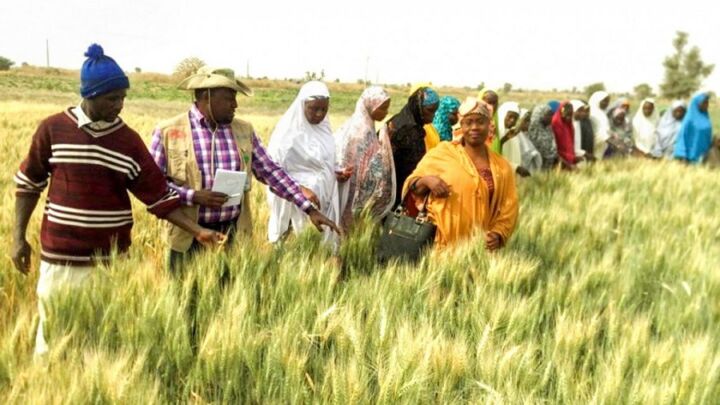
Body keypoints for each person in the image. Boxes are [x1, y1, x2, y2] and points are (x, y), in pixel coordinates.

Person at [12, 44, 224, 357]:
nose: (120, 105)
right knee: (54, 343)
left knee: (103, 346)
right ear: (89, 95)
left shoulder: (128, 142)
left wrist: (197, 230)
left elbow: (158, 196)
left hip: (110, 263)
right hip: (61, 261)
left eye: (123, 97)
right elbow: (28, 184)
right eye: (112, 98)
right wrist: (18, 238)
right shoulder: (53, 129)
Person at [150, 69, 339, 271]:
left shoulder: (244, 131)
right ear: (207, 96)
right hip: (187, 234)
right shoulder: (168, 132)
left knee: (231, 297)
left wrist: (308, 209)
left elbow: (271, 172)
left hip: (233, 234)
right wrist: (193, 196)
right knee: (187, 298)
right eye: (229, 98)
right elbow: (153, 188)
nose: (235, 105)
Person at [403, 97, 518, 249]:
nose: (474, 127)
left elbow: (509, 206)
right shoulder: (443, 153)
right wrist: (427, 181)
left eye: (480, 122)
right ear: (461, 125)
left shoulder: (501, 167)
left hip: (480, 252)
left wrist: (498, 233)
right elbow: (412, 184)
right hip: (441, 249)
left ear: (489, 124)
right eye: (468, 122)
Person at [265, 81, 341, 246]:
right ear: (302, 105)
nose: (319, 114)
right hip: (294, 208)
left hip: (323, 205)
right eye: (314, 108)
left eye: (324, 109)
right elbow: (272, 173)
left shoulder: (325, 131)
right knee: (293, 253)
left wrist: (336, 171)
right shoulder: (286, 134)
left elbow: (325, 162)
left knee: (319, 255)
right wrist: (299, 189)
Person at [335, 86, 394, 232]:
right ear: (370, 105)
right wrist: (384, 142)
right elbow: (368, 163)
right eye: (382, 108)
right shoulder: (361, 131)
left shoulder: (362, 125)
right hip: (351, 189)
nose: (386, 113)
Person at [389, 87, 439, 207]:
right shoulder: (411, 130)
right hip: (400, 189)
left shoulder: (398, 119)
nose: (433, 116)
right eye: (430, 110)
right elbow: (414, 168)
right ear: (418, 108)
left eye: (435, 111)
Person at [674, 92, 713, 163]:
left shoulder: (706, 117)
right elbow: (683, 137)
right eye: (704, 103)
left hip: (705, 155)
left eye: (707, 103)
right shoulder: (689, 119)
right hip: (690, 158)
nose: (707, 105)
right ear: (697, 103)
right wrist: (682, 155)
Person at [498, 101, 531, 177]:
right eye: (510, 116)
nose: (512, 120)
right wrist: (515, 168)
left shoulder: (512, 133)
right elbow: (496, 156)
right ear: (502, 115)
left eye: (515, 118)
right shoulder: (497, 133)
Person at [527, 104, 558, 169]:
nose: (552, 117)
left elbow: (553, 144)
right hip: (536, 166)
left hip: (549, 165)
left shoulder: (548, 128)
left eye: (552, 114)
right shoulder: (532, 130)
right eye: (549, 115)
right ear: (540, 114)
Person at [551, 101, 579, 170]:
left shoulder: (569, 125)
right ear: (561, 112)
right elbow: (556, 147)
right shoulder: (555, 124)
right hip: (560, 161)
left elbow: (570, 144)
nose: (568, 117)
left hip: (569, 159)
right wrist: (568, 160)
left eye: (570, 115)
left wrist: (573, 157)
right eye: (567, 115)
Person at [516, 108, 543, 173]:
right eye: (526, 121)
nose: (528, 123)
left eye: (529, 121)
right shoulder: (515, 136)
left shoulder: (526, 135)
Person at [589, 91, 612, 160]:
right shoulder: (592, 113)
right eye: (604, 101)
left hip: (602, 144)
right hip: (593, 145)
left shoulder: (602, 113)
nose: (607, 104)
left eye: (608, 101)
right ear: (597, 100)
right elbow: (599, 132)